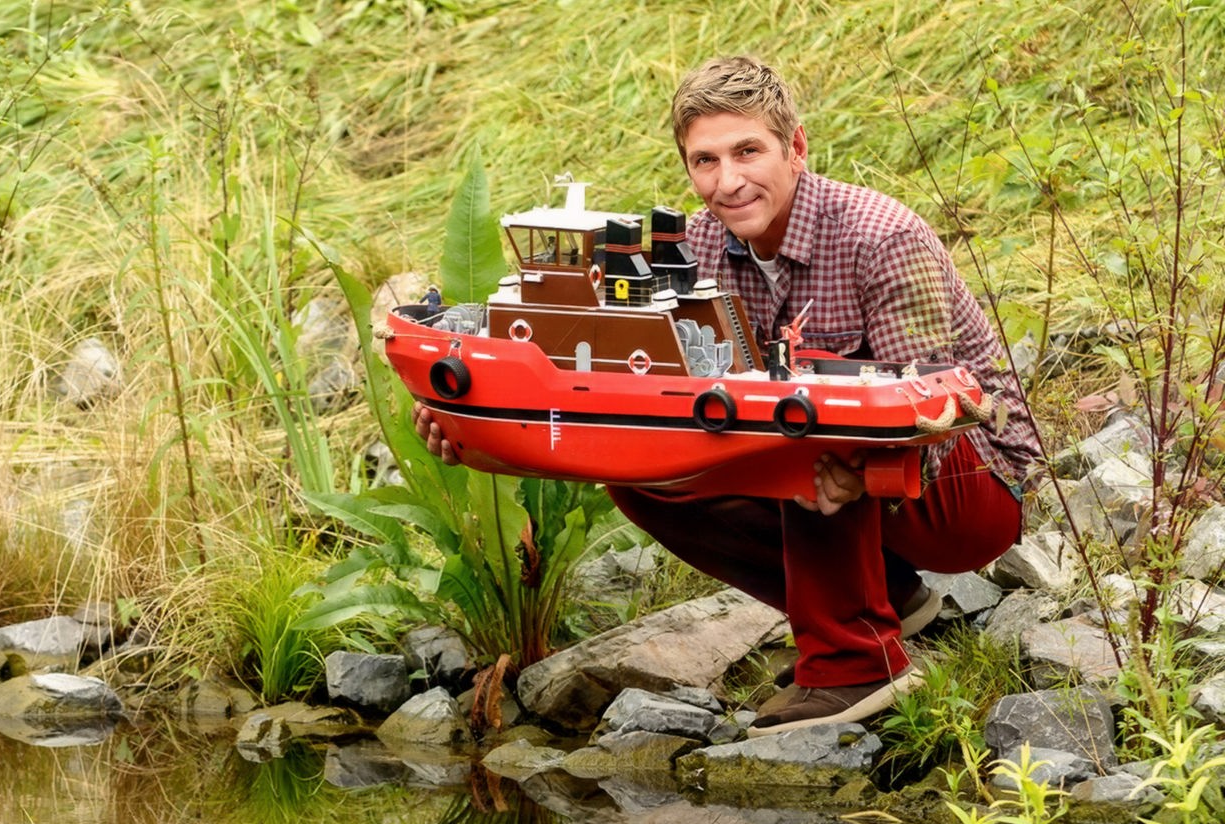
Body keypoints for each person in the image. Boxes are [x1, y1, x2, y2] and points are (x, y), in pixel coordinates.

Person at [415, 56, 1041, 735]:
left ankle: (855, 664)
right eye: (705, 161)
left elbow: (933, 405)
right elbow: (625, 388)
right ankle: (887, 602)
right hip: (836, 464)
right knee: (644, 473)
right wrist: (474, 428)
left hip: (970, 481)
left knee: (800, 418)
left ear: (795, 147)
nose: (728, 181)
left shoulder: (882, 237)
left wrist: (853, 469)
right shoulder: (697, 247)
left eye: (748, 151)